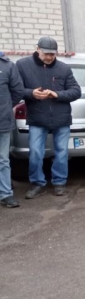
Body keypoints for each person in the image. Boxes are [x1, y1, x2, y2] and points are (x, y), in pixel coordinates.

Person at [15, 37, 81, 198]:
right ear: (37, 49)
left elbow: (75, 91)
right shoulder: (23, 65)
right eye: (46, 54)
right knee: (36, 152)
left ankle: (59, 182)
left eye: (53, 54)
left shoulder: (64, 68)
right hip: (37, 117)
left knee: (62, 152)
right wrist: (31, 93)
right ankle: (37, 183)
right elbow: (16, 89)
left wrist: (56, 94)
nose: (50, 57)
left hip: (61, 118)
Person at [0, 52, 25, 208]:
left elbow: (18, 91)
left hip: (2, 121)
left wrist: (6, 108)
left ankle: (5, 194)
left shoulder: (7, 66)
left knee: (2, 160)